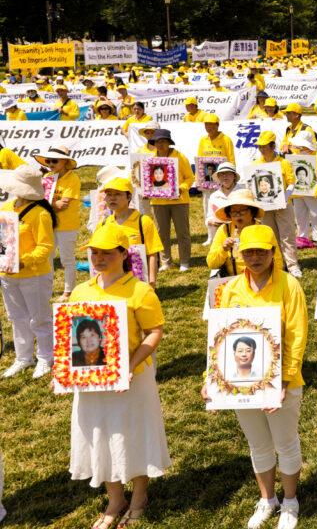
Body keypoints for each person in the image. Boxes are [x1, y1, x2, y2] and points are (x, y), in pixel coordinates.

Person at [203, 224, 307, 529]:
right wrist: (210, 377)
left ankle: (290, 501)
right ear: (240, 253)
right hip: (240, 385)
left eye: (262, 250)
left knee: (285, 442)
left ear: (274, 251)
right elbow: (218, 338)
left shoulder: (289, 286)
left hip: (281, 385)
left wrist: (284, 381)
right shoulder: (230, 289)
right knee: (258, 444)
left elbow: (297, 335)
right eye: (249, 251)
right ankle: (267, 499)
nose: (255, 257)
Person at [67, 223, 170, 529]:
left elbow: (155, 332)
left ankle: (139, 496)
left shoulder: (140, 290)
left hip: (132, 379)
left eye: (107, 253)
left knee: (132, 434)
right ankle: (115, 499)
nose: (98, 258)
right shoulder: (81, 290)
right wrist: (64, 370)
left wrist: (129, 364)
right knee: (99, 435)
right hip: (91, 381)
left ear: (123, 253)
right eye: (94, 252)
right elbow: (72, 335)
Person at [0, 164, 57, 378]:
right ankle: (23, 357)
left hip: (34, 274)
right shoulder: (6, 208)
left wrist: (26, 260)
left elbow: (45, 246)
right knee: (17, 317)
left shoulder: (41, 214)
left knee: (39, 318)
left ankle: (45, 357)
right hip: (7, 273)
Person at [98, 177, 165, 288]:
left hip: (138, 284)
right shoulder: (103, 224)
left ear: (129, 196)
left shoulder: (143, 221)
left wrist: (152, 283)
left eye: (117, 194)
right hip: (111, 284)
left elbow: (152, 254)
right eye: (109, 195)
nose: (112, 198)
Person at [34, 146, 82, 298]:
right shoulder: (47, 176)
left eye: (54, 160)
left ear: (65, 162)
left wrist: (49, 204)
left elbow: (63, 205)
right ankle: (47, 289)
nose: (50, 164)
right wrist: (53, 203)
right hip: (49, 224)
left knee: (66, 259)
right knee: (47, 258)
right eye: (48, 161)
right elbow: (50, 202)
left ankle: (69, 291)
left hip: (67, 226)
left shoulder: (73, 178)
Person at [144, 129, 195, 272]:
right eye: (157, 141)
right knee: (162, 233)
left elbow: (190, 177)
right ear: (153, 143)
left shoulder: (180, 157)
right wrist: (146, 190)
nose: (160, 144)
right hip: (158, 202)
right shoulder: (149, 159)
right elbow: (147, 180)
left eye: (163, 141)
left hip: (179, 201)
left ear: (168, 143)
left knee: (182, 232)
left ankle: (184, 261)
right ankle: (166, 261)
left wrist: (181, 188)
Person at [252, 132, 301, 278]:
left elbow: (292, 182)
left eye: (264, 146)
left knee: (287, 234)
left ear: (273, 146)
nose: (262, 149)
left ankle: (292, 265)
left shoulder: (284, 163)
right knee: (270, 235)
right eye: (260, 146)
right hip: (265, 207)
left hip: (283, 205)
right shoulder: (256, 164)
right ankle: (277, 264)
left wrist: (284, 198)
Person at [207, 191, 285, 276]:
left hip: (261, 279)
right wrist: (223, 249)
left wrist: (274, 279)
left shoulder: (264, 230)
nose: (238, 215)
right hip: (233, 281)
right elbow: (211, 263)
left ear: (252, 212)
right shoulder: (224, 230)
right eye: (233, 211)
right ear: (229, 214)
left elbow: (277, 261)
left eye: (242, 211)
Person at [286, 131, 317, 250]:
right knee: (299, 215)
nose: (300, 147)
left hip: (313, 192)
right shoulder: (295, 154)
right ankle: (302, 237)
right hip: (298, 192)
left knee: (316, 215)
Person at [197, 112, 236, 243]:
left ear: (217, 125)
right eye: (206, 124)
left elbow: (231, 159)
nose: (209, 127)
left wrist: (231, 177)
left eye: (211, 125)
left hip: (223, 178)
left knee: (224, 205)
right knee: (208, 206)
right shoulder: (203, 140)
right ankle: (210, 236)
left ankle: (228, 230)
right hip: (208, 180)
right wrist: (201, 178)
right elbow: (200, 160)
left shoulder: (226, 139)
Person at [204, 162, 241, 244]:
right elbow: (209, 217)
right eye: (222, 174)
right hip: (221, 233)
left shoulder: (243, 192)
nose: (225, 176)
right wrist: (211, 222)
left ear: (234, 176)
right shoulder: (214, 196)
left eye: (228, 173)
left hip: (241, 233)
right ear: (218, 177)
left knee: (239, 253)